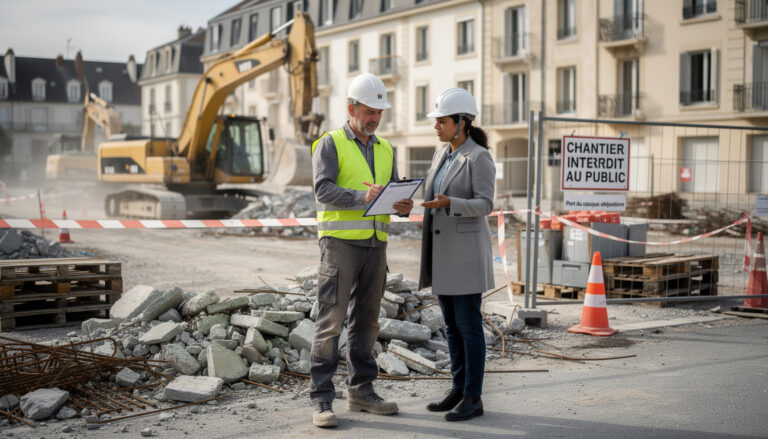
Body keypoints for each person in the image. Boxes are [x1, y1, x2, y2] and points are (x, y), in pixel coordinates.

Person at [309, 72, 414, 428]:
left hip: (375, 245)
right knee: (330, 323)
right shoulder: (330, 143)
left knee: (367, 322)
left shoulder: (385, 148)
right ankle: (322, 400)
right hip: (340, 246)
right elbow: (323, 189)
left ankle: (361, 392)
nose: (375, 118)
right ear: (351, 108)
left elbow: (393, 190)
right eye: (370, 111)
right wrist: (361, 198)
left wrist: (402, 204)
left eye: (379, 113)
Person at [418, 88, 495, 422]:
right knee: (451, 326)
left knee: (469, 326)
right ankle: (458, 387)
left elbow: (485, 204)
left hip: (465, 255)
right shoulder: (441, 155)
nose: (437, 126)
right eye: (436, 121)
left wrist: (452, 204)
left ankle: (473, 397)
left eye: (442, 120)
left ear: (462, 123)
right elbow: (431, 196)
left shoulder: (479, 157)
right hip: (444, 253)